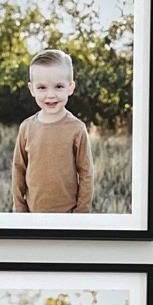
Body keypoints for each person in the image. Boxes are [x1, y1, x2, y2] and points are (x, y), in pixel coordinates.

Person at [11, 49, 92, 215]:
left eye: (59, 86)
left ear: (70, 88)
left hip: (68, 215)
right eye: (42, 87)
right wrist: (19, 209)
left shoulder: (77, 129)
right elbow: (18, 169)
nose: (51, 95)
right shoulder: (26, 127)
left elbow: (86, 173)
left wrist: (81, 213)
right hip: (32, 214)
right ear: (31, 89)